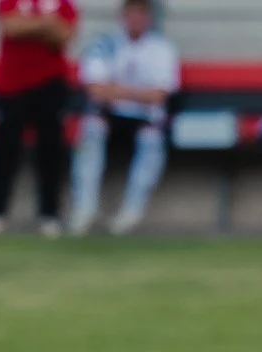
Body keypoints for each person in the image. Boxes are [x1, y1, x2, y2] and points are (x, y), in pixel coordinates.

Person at [68, 0, 179, 236]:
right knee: (90, 133)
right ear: (122, 15)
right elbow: (95, 89)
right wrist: (138, 93)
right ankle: (84, 209)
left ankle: (132, 210)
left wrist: (117, 90)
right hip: (109, 115)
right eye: (131, 12)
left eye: (141, 13)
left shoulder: (161, 48)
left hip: (144, 117)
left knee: (151, 139)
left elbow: (160, 94)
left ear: (149, 17)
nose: (136, 18)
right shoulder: (105, 44)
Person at [0, 0, 80, 238]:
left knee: (50, 152)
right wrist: (47, 24)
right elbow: (10, 28)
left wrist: (29, 26)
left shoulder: (63, 3)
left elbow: (64, 35)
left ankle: (49, 215)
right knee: (5, 151)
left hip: (50, 84)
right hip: (10, 85)